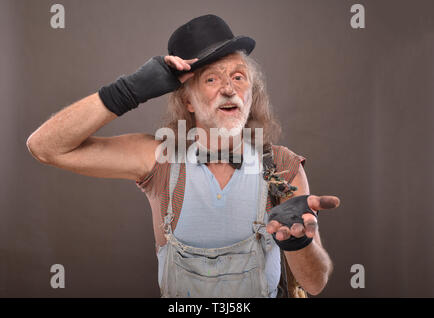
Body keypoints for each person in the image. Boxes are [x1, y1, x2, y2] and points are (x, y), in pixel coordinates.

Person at [26, 14, 339, 298]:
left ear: (250, 92)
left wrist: (299, 243)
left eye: (239, 77)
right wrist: (129, 90)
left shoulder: (282, 167)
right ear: (188, 101)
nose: (229, 89)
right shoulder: (160, 158)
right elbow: (46, 147)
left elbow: (315, 283)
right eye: (212, 79)